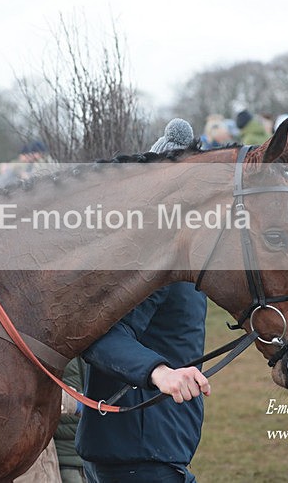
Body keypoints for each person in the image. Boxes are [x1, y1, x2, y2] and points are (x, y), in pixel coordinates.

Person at [76, 120, 209, 483]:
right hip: (138, 452)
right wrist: (159, 372)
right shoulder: (152, 258)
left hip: (155, 447)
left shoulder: (184, 250)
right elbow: (100, 337)